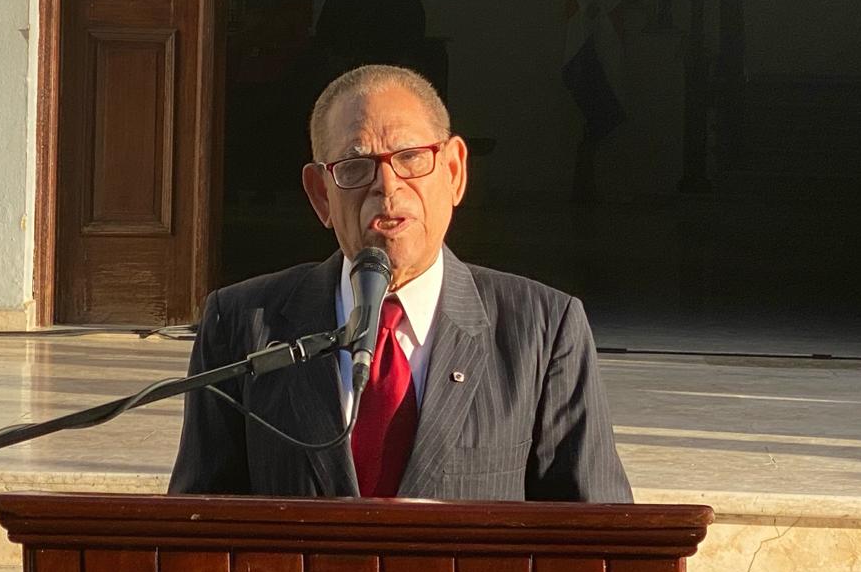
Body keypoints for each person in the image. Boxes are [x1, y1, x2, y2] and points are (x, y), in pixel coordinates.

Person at [169, 65, 632, 502]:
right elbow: (196, 528)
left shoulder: (542, 330)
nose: (387, 187)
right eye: (356, 167)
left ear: (454, 172)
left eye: (411, 158)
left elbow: (597, 533)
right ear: (320, 195)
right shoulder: (241, 324)